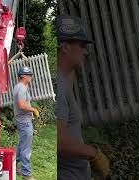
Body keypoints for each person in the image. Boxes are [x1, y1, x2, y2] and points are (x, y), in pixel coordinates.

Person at [56, 15, 110, 179]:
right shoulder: (58, 85)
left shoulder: (64, 79)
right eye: (82, 45)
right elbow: (59, 140)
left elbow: (68, 69)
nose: (86, 51)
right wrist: (94, 153)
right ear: (65, 47)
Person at [13, 66, 39, 180]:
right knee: (26, 148)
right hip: (24, 122)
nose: (32, 77)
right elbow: (22, 105)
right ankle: (26, 174)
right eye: (30, 75)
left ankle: (13, 165)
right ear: (23, 76)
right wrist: (33, 109)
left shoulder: (20, 86)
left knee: (22, 144)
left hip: (22, 120)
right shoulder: (22, 89)